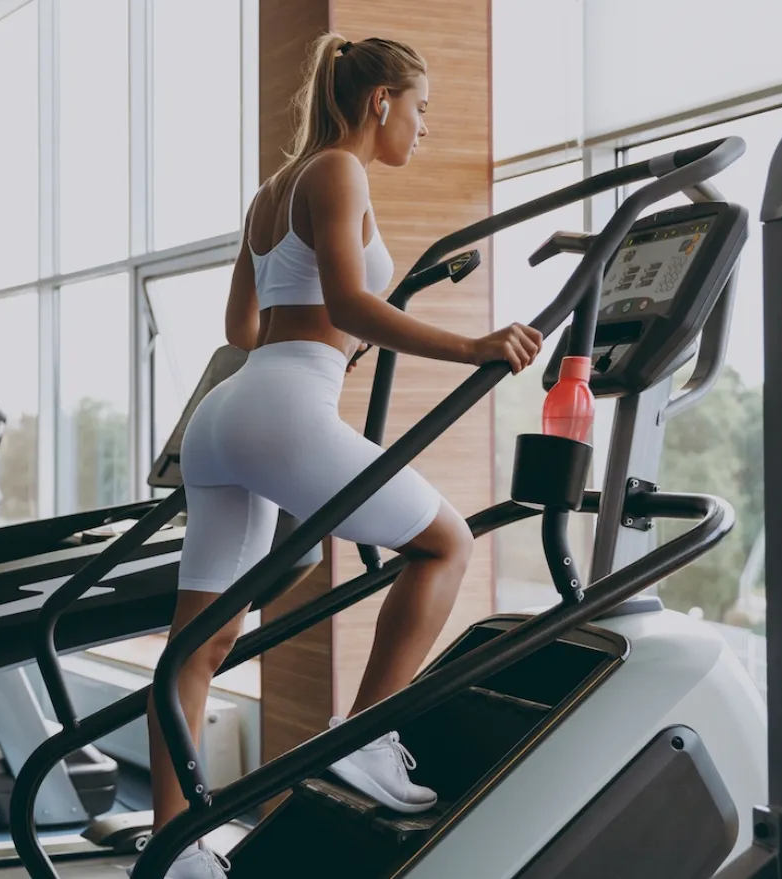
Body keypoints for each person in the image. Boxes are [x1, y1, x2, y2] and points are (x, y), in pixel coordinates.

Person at [140, 32, 543, 879]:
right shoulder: (338, 170)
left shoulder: (272, 189)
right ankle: (365, 736)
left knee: (198, 646)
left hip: (226, 414)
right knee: (446, 542)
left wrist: (327, 340)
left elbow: (241, 331)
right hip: (282, 407)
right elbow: (351, 301)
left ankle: (172, 847)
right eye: (422, 108)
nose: (425, 128)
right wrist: (472, 346)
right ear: (380, 102)